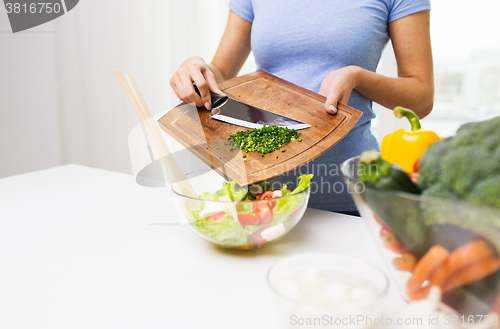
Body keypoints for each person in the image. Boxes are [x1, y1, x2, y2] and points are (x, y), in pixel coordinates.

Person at [170, 0, 434, 215]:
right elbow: (222, 73)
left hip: (351, 201)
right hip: (262, 200)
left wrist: (359, 77)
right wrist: (197, 69)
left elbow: (421, 98)